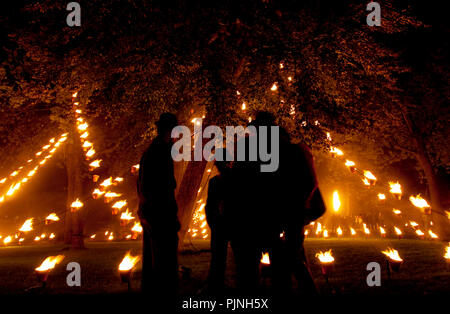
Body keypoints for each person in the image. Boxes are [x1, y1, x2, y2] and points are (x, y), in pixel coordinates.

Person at [137, 112, 180, 299]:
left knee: (155, 256)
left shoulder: (153, 150)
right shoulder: (160, 151)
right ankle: (164, 292)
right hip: (160, 212)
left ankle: (155, 289)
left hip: (153, 211)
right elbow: (163, 186)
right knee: (163, 257)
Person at [204, 148, 233, 294]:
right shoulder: (236, 180)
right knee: (238, 257)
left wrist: (212, 221)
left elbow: (209, 205)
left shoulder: (215, 182)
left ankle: (216, 284)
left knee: (218, 257)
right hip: (232, 222)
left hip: (220, 223)